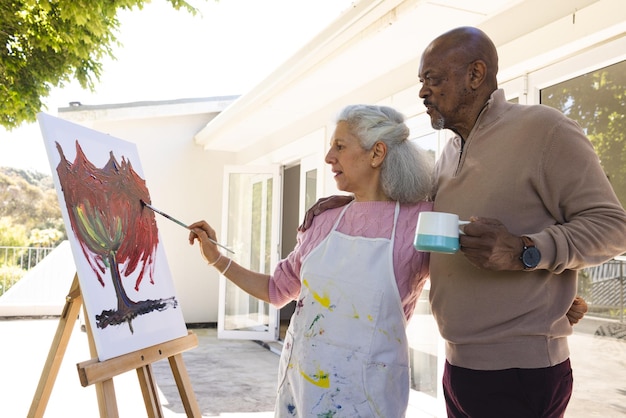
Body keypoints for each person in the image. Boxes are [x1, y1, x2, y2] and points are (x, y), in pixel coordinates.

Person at [300, 26, 620, 417]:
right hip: (458, 366)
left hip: (519, 370)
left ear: (475, 74)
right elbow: (408, 219)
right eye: (422, 82)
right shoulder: (449, 153)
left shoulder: (545, 129)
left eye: (433, 80)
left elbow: (611, 226)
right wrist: (354, 200)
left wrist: (526, 251)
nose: (422, 93)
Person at [188, 104, 435, 417]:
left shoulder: (422, 222)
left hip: (368, 400)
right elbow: (277, 290)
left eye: (340, 146)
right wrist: (216, 259)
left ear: (377, 153)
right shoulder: (324, 220)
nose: (329, 156)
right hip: (302, 392)